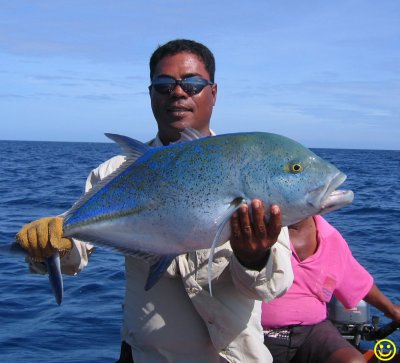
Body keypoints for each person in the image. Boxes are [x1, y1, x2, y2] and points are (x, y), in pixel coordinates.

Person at [16, 39, 294, 363]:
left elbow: (270, 288)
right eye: (164, 85)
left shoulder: (249, 168)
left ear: (213, 93)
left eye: (192, 84)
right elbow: (75, 253)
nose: (178, 93)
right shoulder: (115, 172)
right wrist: (53, 245)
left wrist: (253, 257)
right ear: (150, 94)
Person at [262, 215, 400, 363]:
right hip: (256, 332)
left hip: (312, 331)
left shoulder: (329, 236)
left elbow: (357, 281)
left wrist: (391, 309)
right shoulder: (252, 233)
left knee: (353, 361)